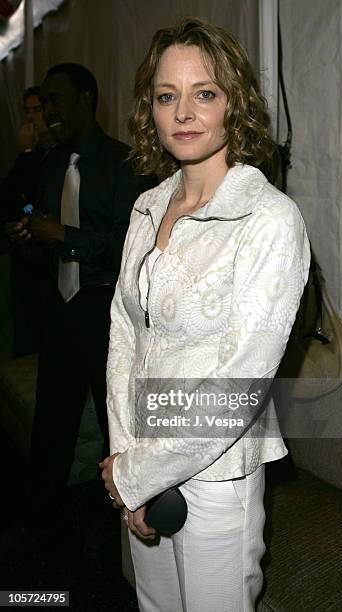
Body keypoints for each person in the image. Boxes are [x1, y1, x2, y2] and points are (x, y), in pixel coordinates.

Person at [101, 18, 310, 612]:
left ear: (234, 105)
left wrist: (138, 476)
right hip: (139, 455)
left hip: (217, 476)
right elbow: (124, 334)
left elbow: (241, 385)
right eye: (168, 96)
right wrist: (126, 462)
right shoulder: (147, 205)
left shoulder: (269, 219)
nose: (184, 112)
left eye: (205, 93)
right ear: (152, 108)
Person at [5, 63, 156, 536]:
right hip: (60, 309)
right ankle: (41, 520)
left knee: (116, 418)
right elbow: (44, 239)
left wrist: (64, 236)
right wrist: (30, 237)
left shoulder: (124, 165)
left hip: (105, 312)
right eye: (44, 103)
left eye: (56, 100)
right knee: (54, 419)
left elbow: (125, 247)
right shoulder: (49, 164)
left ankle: (120, 514)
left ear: (86, 100)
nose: (48, 111)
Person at [0, 87, 52, 355]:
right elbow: (10, 196)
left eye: (37, 110)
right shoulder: (33, 153)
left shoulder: (53, 150)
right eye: (27, 111)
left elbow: (33, 193)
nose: (31, 118)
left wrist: (29, 151)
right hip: (24, 253)